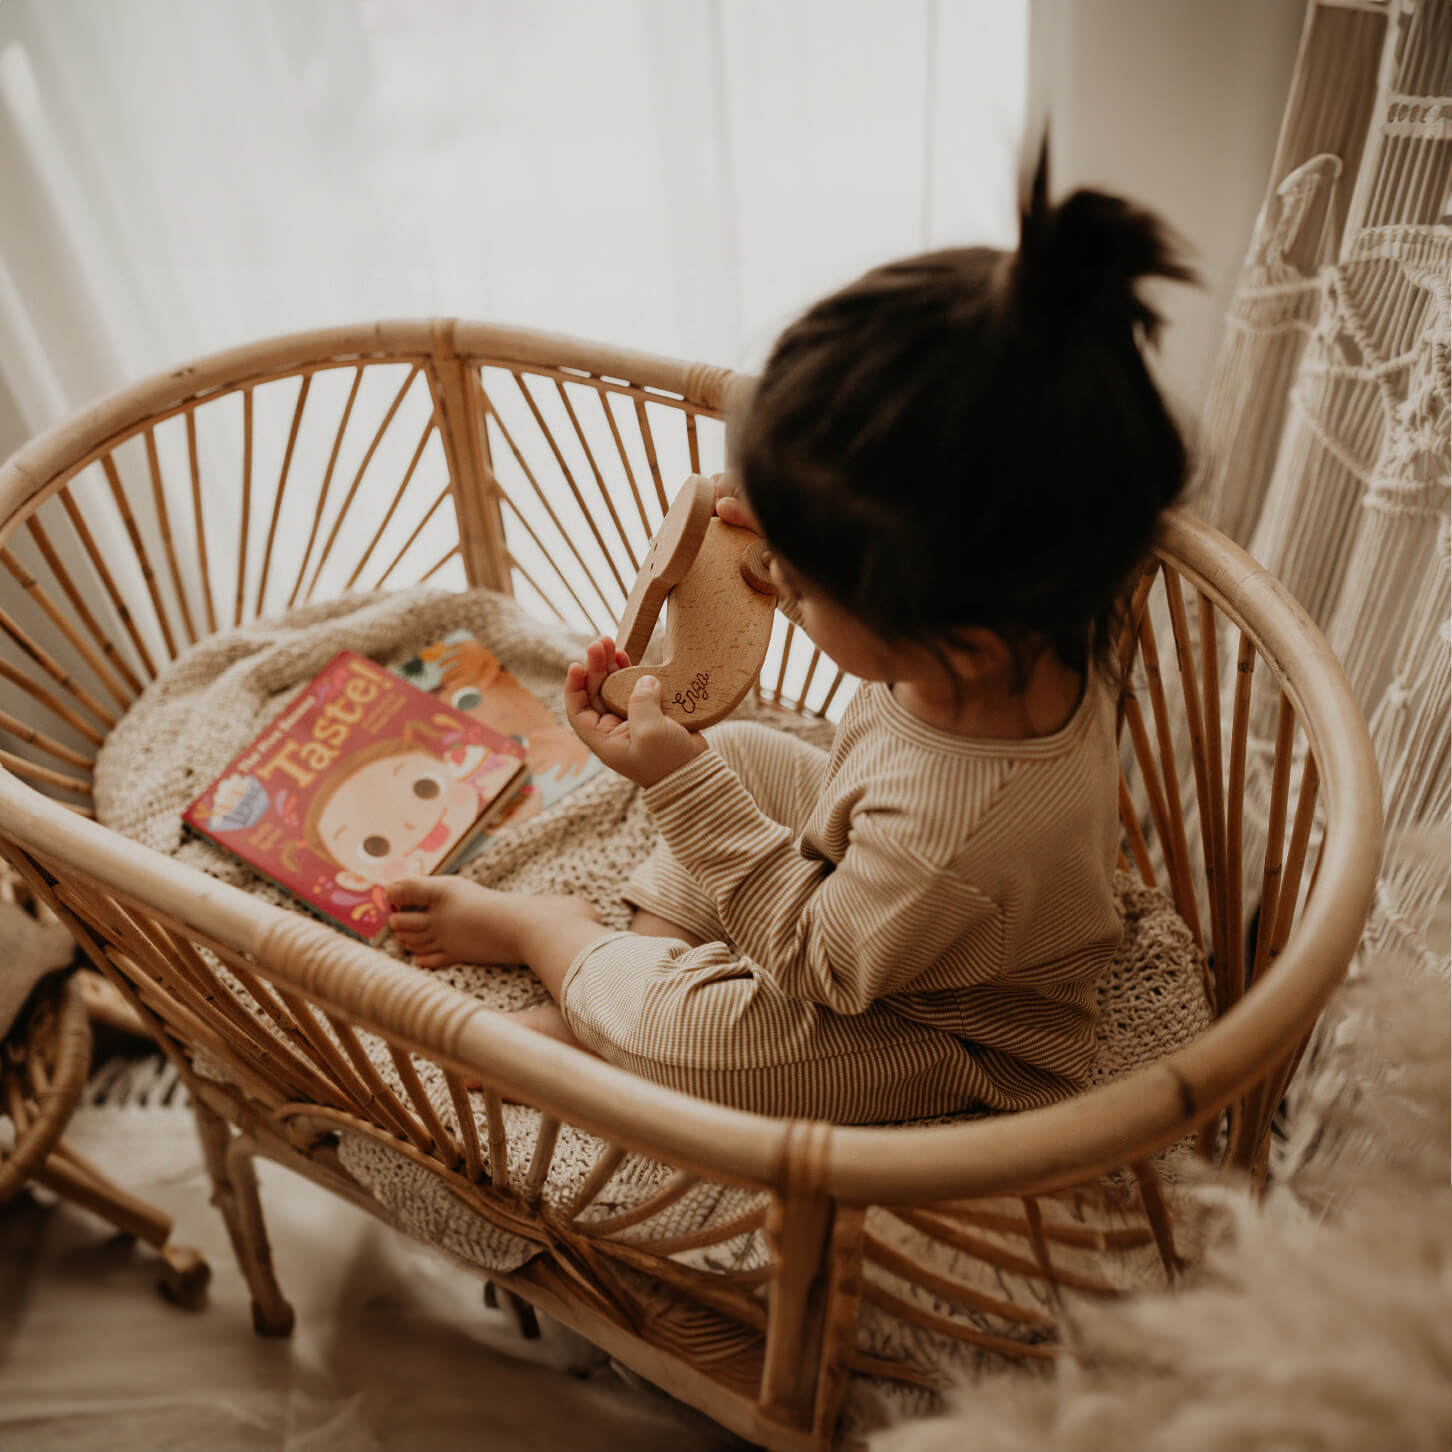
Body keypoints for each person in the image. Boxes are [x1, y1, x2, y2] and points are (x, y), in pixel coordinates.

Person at [387, 147, 1194, 1123]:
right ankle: (636, 972)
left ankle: (560, 949)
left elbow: (823, 963)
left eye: (797, 587)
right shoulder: (1036, 625)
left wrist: (678, 787)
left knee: (686, 1035)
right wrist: (795, 525)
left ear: (961, 637)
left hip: (940, 1023)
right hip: (892, 895)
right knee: (734, 752)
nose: (773, 589)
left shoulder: (955, 828)